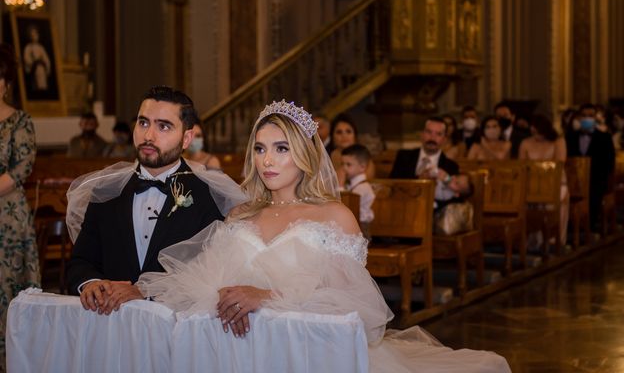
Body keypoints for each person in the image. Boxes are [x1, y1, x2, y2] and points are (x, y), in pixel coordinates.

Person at [137, 100, 510, 372]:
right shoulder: (239, 215)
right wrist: (219, 294)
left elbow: (354, 306)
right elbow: (201, 279)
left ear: (303, 155)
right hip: (237, 350)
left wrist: (267, 297)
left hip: (307, 353)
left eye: (282, 149)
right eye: (261, 149)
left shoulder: (334, 217)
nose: (268, 161)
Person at [66, 86, 245, 315]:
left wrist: (148, 292)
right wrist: (90, 283)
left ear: (187, 138)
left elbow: (212, 279)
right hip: (111, 324)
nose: (148, 135)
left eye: (164, 126)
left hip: (175, 331)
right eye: (143, 123)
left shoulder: (209, 197)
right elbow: (81, 261)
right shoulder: (106, 191)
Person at [0, 44, 39, 369]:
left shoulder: (20, 121)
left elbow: (21, 169)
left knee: (7, 287)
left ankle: (10, 360)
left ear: (6, 82)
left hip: (8, 216)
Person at [519, 113, 569, 248]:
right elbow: (521, 165)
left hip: (555, 181)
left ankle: (553, 239)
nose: (536, 136)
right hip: (532, 182)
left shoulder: (558, 141)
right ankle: (533, 239)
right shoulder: (525, 143)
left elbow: (560, 163)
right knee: (524, 199)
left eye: (538, 132)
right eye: (533, 131)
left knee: (553, 198)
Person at [565, 103, 615, 231]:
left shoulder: (604, 137)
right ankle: (571, 226)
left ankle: (589, 227)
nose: (587, 118)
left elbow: (609, 162)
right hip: (574, 179)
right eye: (584, 115)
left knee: (594, 195)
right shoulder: (570, 136)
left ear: (595, 118)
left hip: (596, 179)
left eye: (591, 116)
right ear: (579, 118)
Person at [389, 116, 460, 180]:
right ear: (422, 135)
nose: (432, 138)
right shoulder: (403, 157)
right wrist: (418, 179)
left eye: (438, 134)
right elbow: (392, 184)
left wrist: (445, 179)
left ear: (444, 139)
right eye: (429, 132)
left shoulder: (451, 167)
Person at [327, 113, 375, 186]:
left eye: (348, 131)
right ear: (332, 137)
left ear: (355, 136)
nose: (344, 135)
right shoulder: (326, 156)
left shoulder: (363, 156)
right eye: (339, 132)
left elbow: (365, 182)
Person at [341, 144, 375, 238]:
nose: (344, 168)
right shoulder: (353, 185)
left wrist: (340, 186)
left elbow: (347, 205)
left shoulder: (362, 187)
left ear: (362, 167)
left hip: (361, 230)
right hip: (355, 225)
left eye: (348, 164)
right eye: (342, 164)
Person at [22, 25, 51, 93]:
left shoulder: (41, 47)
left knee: (43, 84)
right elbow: (26, 59)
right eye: (32, 35)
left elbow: (46, 60)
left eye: (35, 34)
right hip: (34, 69)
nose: (34, 37)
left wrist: (45, 64)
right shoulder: (28, 47)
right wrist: (34, 62)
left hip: (42, 69)